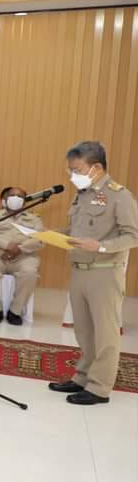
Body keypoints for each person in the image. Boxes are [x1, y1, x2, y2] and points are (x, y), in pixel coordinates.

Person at [48, 141, 138, 405]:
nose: (72, 175)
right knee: (84, 330)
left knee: (105, 333)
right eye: (70, 170)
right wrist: (45, 235)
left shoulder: (120, 196)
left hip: (105, 273)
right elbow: (74, 232)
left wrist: (100, 246)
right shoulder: (83, 195)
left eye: (76, 170)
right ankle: (82, 377)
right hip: (79, 271)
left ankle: (99, 388)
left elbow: (133, 236)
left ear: (96, 167)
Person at [0, 186, 44, 326]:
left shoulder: (34, 219)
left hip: (24, 257)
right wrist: (6, 245)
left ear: (25, 201)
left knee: (30, 272)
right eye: (12, 195)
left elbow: (41, 239)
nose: (16, 198)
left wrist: (20, 248)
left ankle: (15, 311)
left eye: (20, 196)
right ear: (5, 200)